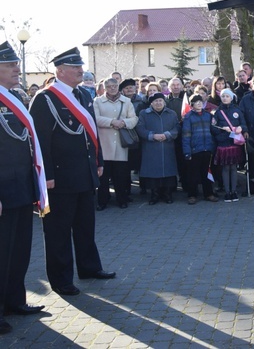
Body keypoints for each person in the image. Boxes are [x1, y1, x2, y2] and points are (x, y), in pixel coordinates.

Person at [29, 47, 115, 297]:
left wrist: (97, 161)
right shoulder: (45, 99)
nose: (81, 70)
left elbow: (92, 132)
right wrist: (46, 176)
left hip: (85, 173)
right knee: (58, 230)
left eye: (81, 66)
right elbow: (40, 140)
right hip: (60, 176)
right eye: (75, 67)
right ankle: (60, 279)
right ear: (60, 71)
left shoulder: (85, 95)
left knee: (85, 225)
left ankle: (89, 268)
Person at [0, 41, 48, 333]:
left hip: (21, 187)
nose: (18, 69)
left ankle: (14, 301)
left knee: (18, 250)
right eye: (10, 66)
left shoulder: (14, 97)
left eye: (16, 65)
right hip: (3, 192)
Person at [93, 78, 138, 210]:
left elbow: (134, 118)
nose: (112, 88)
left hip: (120, 143)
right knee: (103, 176)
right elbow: (94, 118)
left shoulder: (127, 101)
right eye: (109, 86)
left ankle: (121, 199)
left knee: (121, 175)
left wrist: (124, 123)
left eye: (115, 86)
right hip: (104, 143)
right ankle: (103, 200)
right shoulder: (97, 101)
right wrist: (112, 122)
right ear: (105, 88)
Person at [136, 93, 179, 205]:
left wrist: (168, 135)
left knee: (168, 171)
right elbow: (140, 128)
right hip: (151, 147)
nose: (158, 103)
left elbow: (177, 127)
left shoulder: (172, 113)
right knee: (153, 173)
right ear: (151, 103)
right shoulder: (144, 114)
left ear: (164, 102)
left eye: (160, 100)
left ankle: (167, 194)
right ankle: (154, 195)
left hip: (167, 146)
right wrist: (152, 135)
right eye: (156, 101)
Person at [181, 94, 219, 204]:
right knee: (193, 174)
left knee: (207, 173)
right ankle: (192, 195)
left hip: (207, 148)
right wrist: (187, 151)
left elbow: (214, 130)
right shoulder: (188, 117)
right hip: (195, 149)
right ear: (192, 105)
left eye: (200, 102)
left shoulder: (208, 115)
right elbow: (186, 136)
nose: (199, 104)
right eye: (196, 102)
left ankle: (209, 193)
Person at [213, 89, 247, 202]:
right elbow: (213, 127)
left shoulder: (237, 110)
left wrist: (241, 128)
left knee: (234, 167)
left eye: (227, 96)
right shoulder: (218, 112)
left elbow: (243, 123)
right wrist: (222, 131)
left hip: (234, 142)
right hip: (223, 143)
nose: (225, 98)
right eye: (223, 96)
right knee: (225, 168)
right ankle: (227, 192)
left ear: (231, 98)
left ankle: (234, 191)